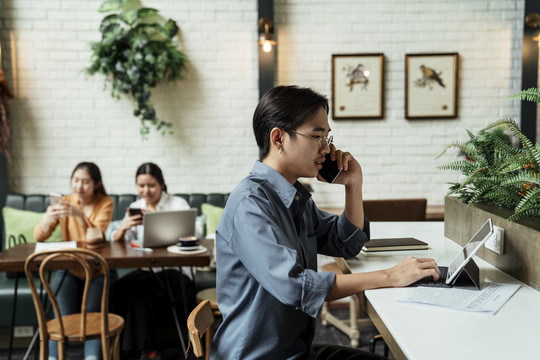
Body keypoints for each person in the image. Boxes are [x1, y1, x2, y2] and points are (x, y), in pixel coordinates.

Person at [210, 85, 441, 360]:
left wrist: (353, 185)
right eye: (317, 136)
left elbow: (346, 242)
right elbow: (295, 286)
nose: (326, 149)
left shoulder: (295, 197)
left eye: (327, 137)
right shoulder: (251, 204)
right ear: (279, 138)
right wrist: (389, 276)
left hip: (297, 351)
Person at [110, 162, 195, 360]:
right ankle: (116, 349)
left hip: (176, 271)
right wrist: (123, 228)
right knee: (117, 288)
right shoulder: (135, 208)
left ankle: (134, 352)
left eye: (151, 185)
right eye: (141, 186)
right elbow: (119, 242)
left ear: (162, 185)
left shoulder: (177, 204)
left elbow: (194, 232)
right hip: (147, 270)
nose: (145, 191)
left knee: (139, 292)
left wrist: (158, 219)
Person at [34, 162, 115, 360]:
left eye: (85, 182)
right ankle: (54, 357)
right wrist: (48, 218)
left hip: (98, 271)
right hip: (68, 269)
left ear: (97, 184)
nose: (79, 186)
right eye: (76, 181)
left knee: (94, 317)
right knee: (61, 318)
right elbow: (39, 236)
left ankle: (92, 357)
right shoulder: (65, 201)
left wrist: (80, 216)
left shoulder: (105, 203)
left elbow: (96, 238)